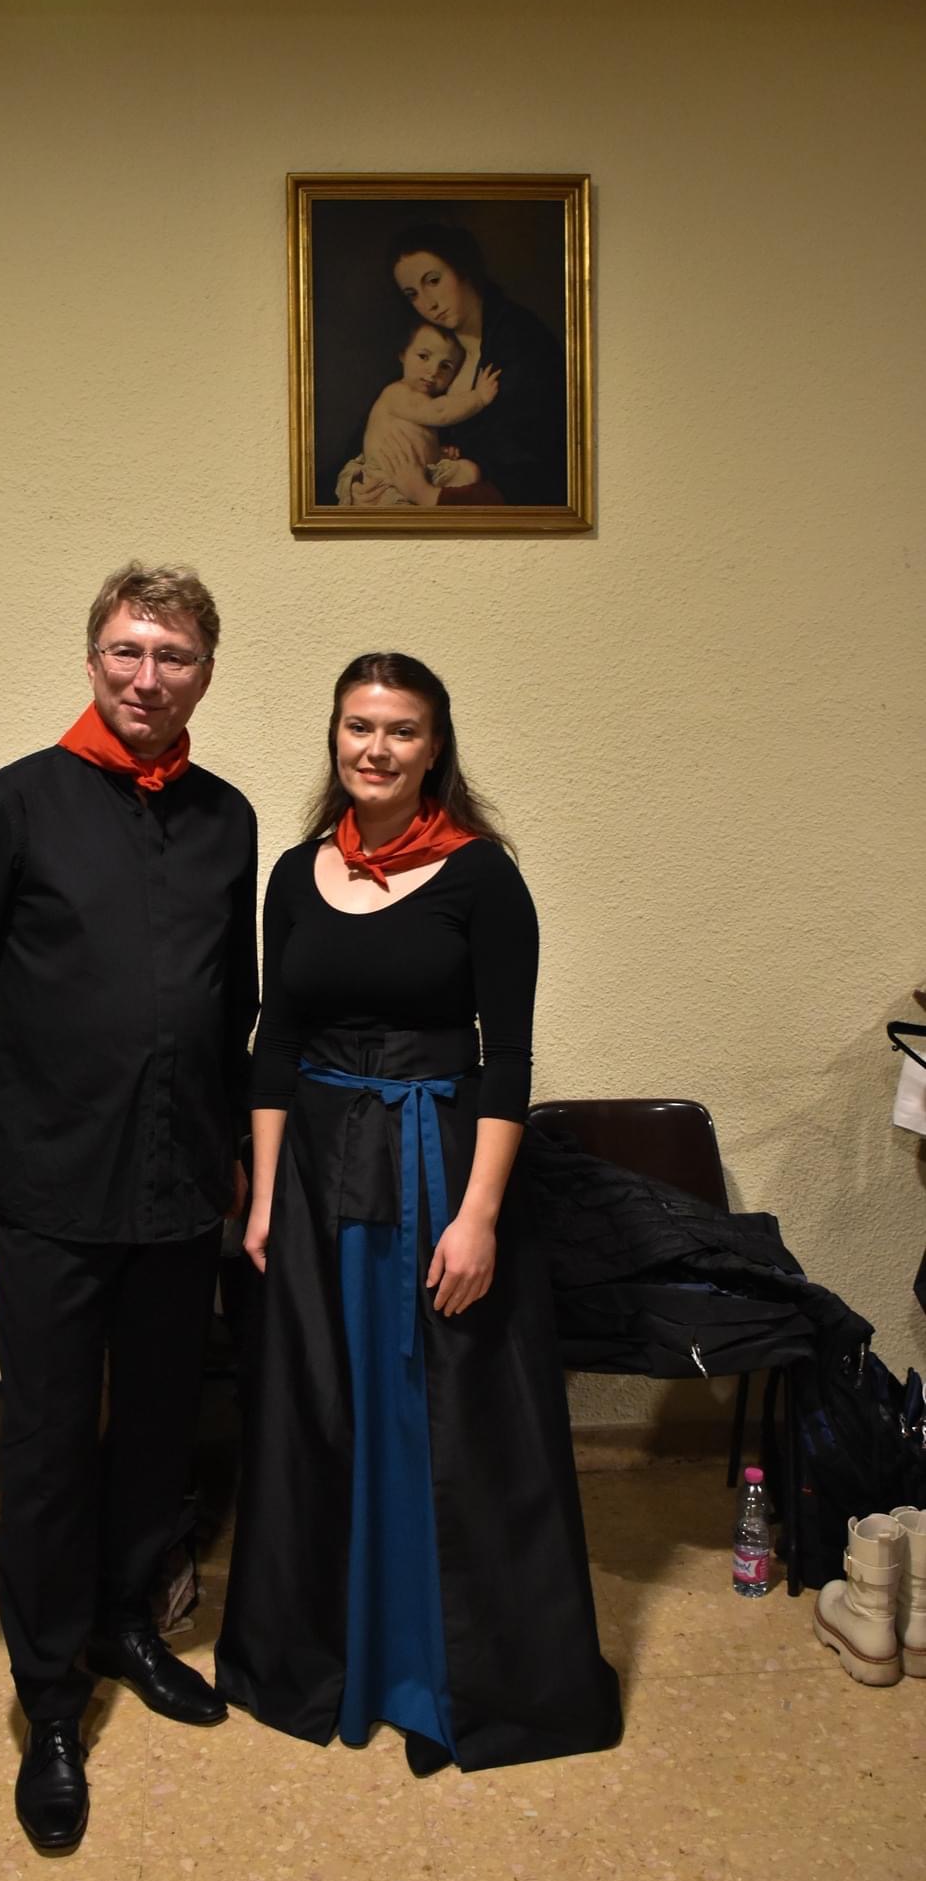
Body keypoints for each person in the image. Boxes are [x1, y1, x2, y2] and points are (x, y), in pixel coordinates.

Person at [0, 563, 257, 1852]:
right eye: (127, 649)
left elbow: (233, 1003)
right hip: (49, 1185)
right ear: (93, 657)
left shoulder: (227, 819)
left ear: (204, 672)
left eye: (174, 655)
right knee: (48, 1448)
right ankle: (50, 1701)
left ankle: (124, 1624)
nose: (147, 676)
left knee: (157, 1428)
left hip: (179, 1186)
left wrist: (237, 1149)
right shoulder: (12, 804)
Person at [214, 652, 620, 1776]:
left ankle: (442, 1677)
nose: (377, 748)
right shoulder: (294, 873)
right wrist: (262, 1192)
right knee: (322, 1406)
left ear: (435, 746)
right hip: (313, 1176)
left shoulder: (483, 875)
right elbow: (275, 1044)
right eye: (359, 726)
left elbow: (508, 1058)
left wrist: (479, 1215)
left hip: (439, 1168)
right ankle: (331, 1658)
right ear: (334, 737)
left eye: (401, 730)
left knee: (436, 1416)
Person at [351, 221, 567, 508]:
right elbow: (368, 435)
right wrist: (358, 484)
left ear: (462, 268)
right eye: (413, 294)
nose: (428, 303)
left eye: (433, 281)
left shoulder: (521, 341)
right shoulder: (429, 352)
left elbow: (531, 467)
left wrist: (432, 493)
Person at [334, 315, 500, 509]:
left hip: (423, 474)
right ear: (403, 355)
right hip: (386, 481)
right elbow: (440, 412)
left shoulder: (423, 401)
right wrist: (478, 398)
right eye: (423, 356)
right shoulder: (397, 393)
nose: (433, 371)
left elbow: (418, 440)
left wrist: (438, 452)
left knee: (470, 471)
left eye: (445, 366)